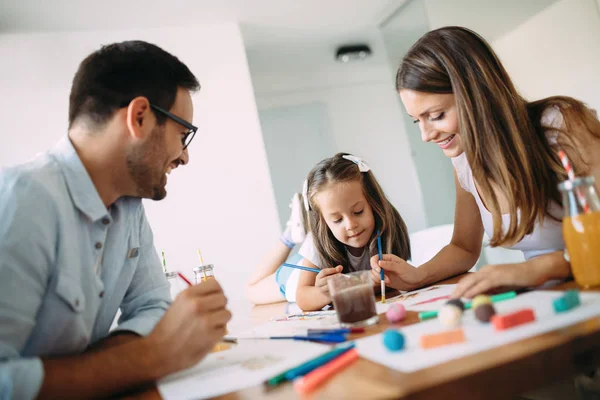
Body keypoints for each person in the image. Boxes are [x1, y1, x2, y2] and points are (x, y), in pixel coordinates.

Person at [0, 41, 231, 399]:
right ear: (139, 117)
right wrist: (150, 356)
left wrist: (108, 363)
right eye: (183, 134)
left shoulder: (130, 209)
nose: (184, 157)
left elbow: (153, 305)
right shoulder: (20, 199)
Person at [371, 26, 600, 299]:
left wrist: (543, 268)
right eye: (417, 120)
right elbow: (464, 248)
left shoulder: (560, 125)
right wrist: (418, 274)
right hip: (555, 298)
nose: (426, 135)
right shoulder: (464, 162)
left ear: (475, 94)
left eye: (436, 115)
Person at [295, 153, 411, 311]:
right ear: (323, 222)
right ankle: (289, 237)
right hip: (292, 277)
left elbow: (392, 283)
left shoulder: (388, 227)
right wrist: (327, 292)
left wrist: (355, 285)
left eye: (358, 211)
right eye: (337, 220)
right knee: (256, 290)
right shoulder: (316, 243)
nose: (350, 225)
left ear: (373, 203)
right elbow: (302, 298)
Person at [246, 192, 309, 305]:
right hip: (303, 266)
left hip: (305, 262)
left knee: (251, 289)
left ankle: (289, 236)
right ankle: (289, 235)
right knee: (251, 290)